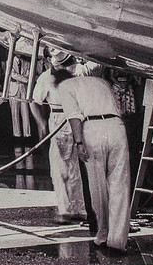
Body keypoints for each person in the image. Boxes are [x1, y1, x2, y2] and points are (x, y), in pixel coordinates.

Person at [55, 69, 131, 253]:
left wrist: (79, 142)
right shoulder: (100, 81)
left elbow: (74, 116)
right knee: (120, 184)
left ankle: (102, 234)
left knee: (97, 187)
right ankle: (118, 241)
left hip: (92, 129)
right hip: (116, 127)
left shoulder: (64, 87)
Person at [33, 49, 87, 225]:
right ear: (48, 60)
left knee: (77, 168)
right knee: (59, 168)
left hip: (77, 120)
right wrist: (41, 125)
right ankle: (64, 210)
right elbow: (35, 103)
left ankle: (79, 209)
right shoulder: (45, 78)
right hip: (56, 122)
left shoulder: (77, 72)